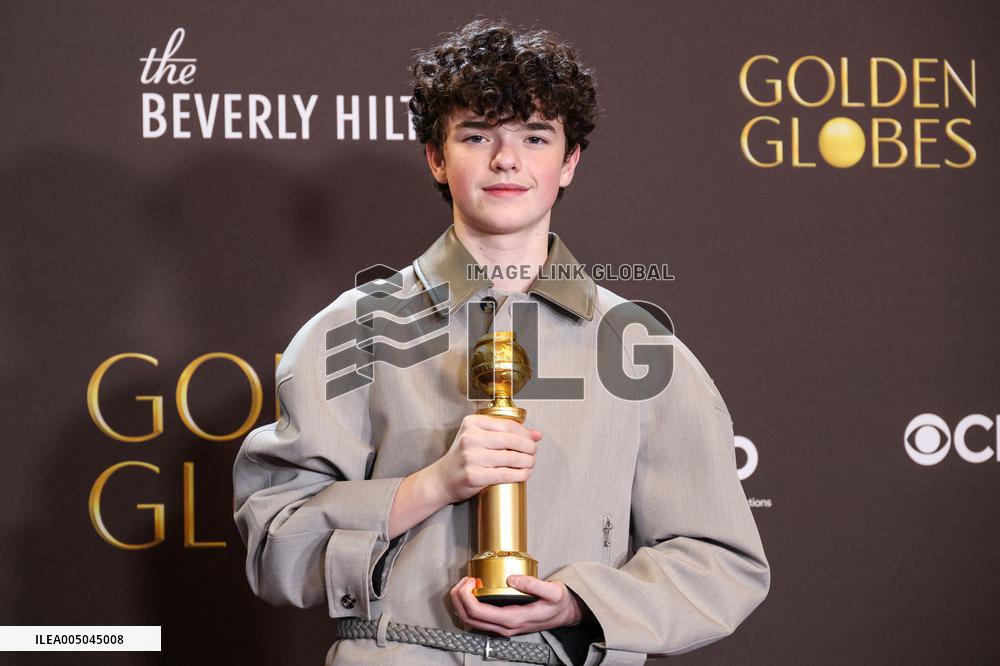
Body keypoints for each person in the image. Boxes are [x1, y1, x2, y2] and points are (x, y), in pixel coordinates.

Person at [233, 18, 769, 666]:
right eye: (477, 135)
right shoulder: (351, 332)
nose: (506, 159)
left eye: (534, 136)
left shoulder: (637, 347)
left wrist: (580, 605)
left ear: (568, 162)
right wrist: (430, 485)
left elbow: (722, 562)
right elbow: (275, 551)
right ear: (437, 157)